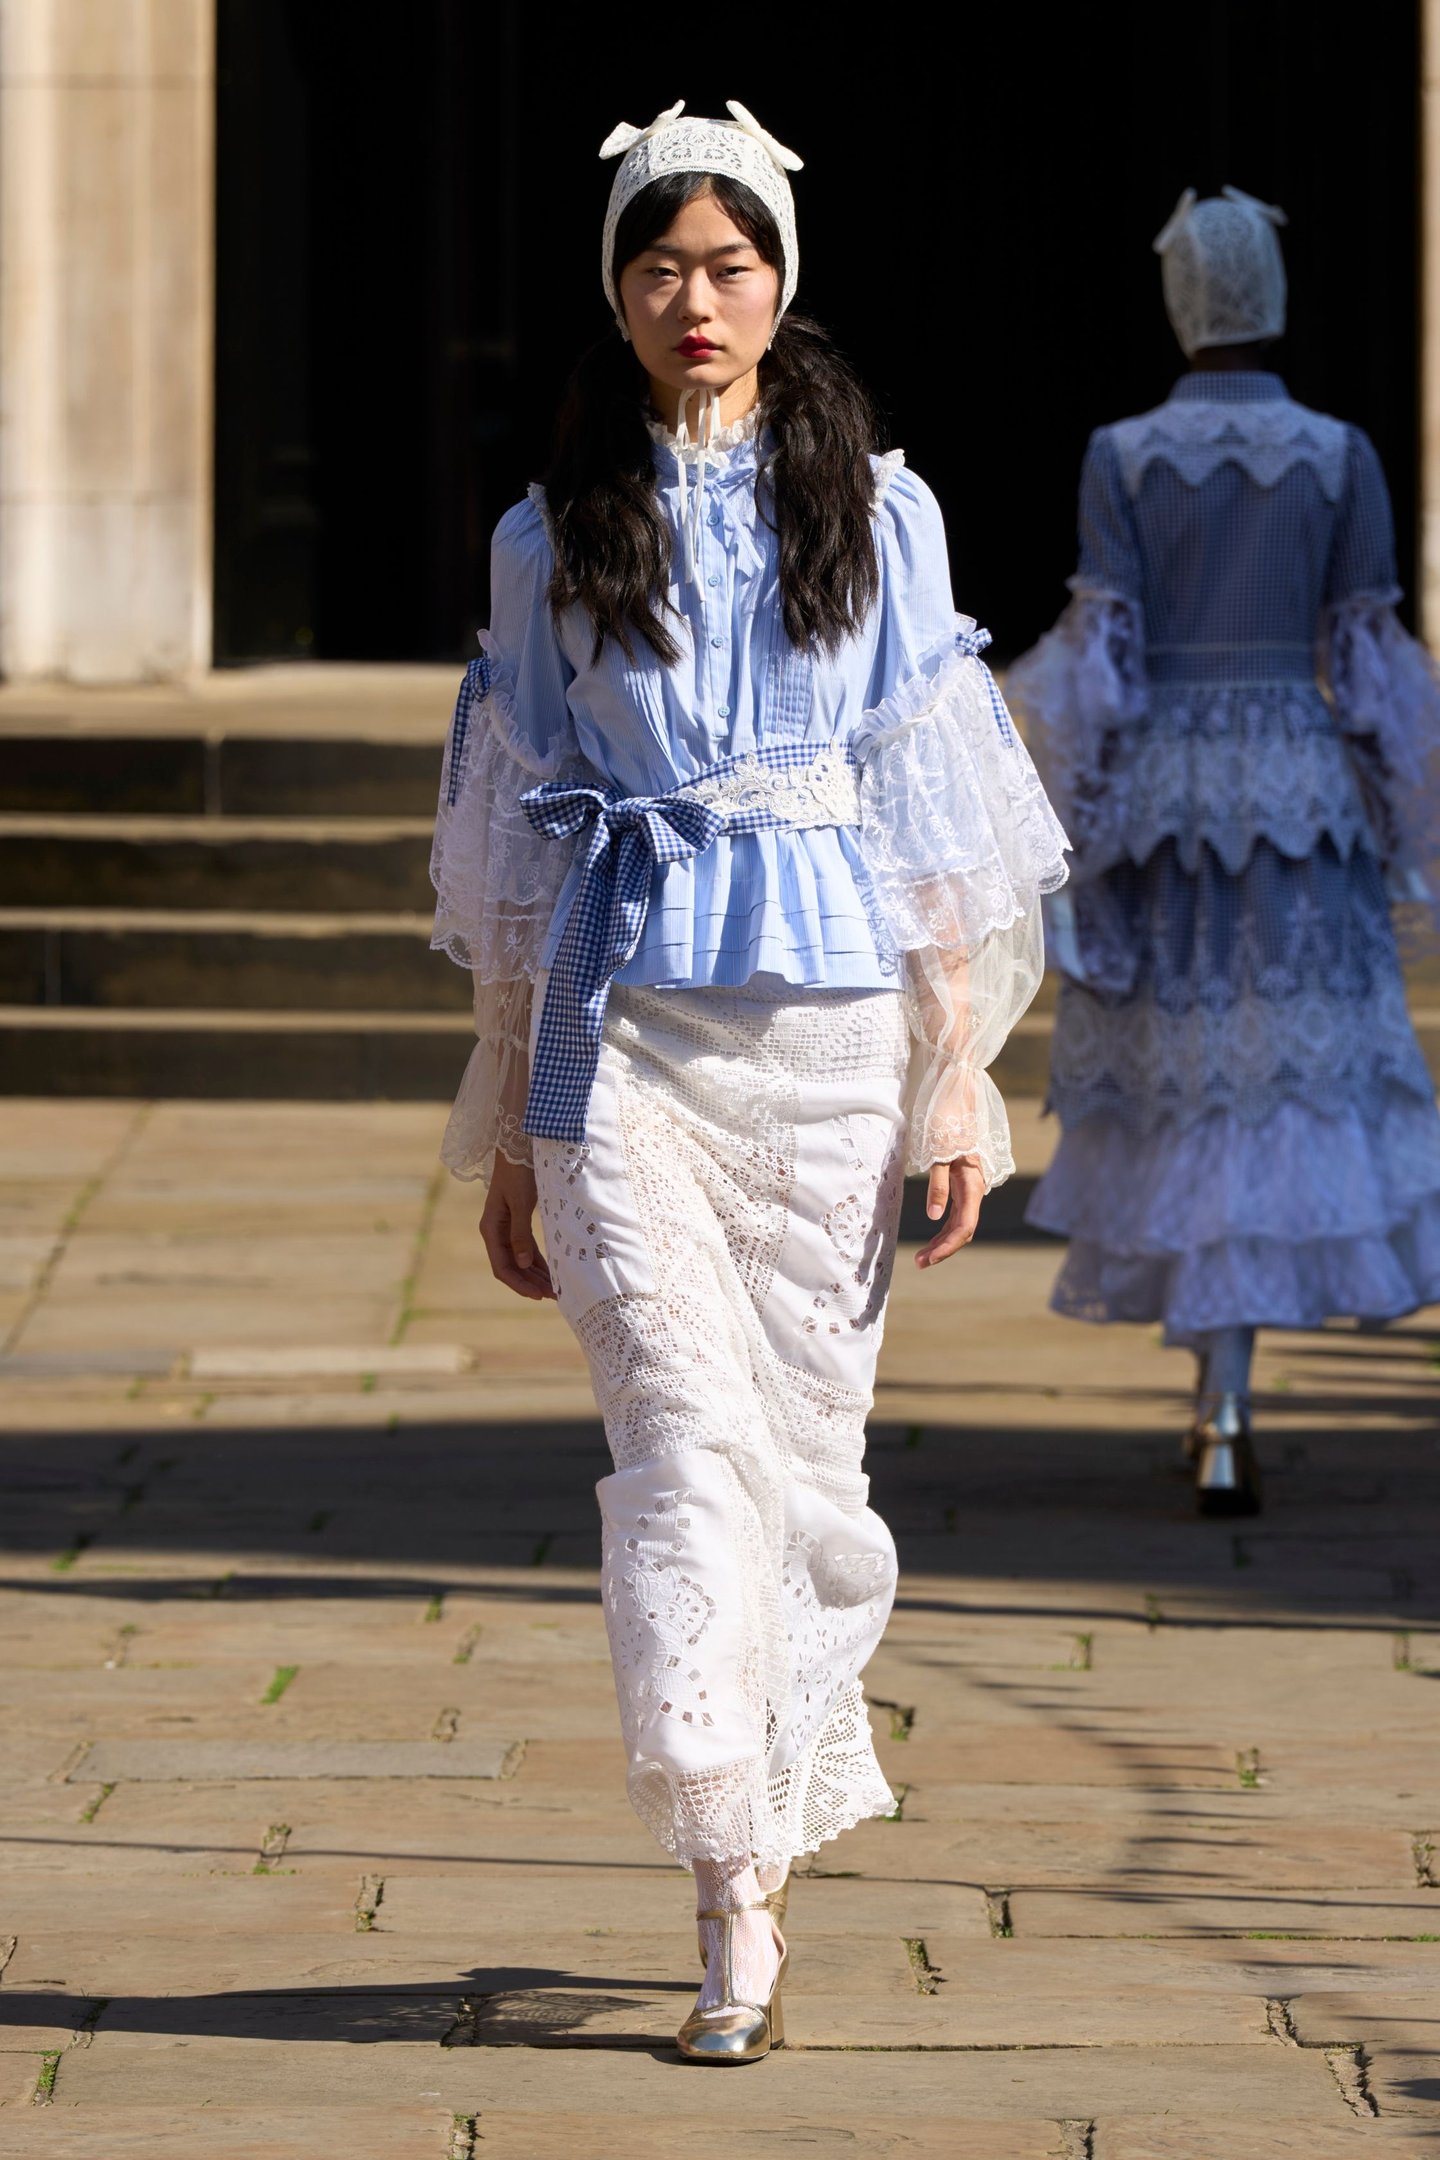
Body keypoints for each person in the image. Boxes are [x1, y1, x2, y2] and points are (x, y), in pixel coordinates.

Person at [429, 100, 1067, 2061]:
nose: (692, 299)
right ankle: (715, 1822)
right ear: (615, 290)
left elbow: (925, 811)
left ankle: (751, 1885)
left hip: (816, 1040)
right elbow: (519, 848)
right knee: (686, 1439)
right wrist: (502, 1108)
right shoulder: (553, 532)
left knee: (801, 1464)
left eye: (725, 263)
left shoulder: (876, 512)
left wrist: (955, 1074)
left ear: (779, 277)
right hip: (616, 1044)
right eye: (656, 263)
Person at [1009, 186, 1440, 1517]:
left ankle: (1221, 1395)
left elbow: (1102, 657)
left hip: (1165, 797)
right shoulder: (1338, 453)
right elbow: (1371, 661)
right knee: (1267, 1076)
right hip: (1298, 795)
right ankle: (1225, 1400)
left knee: (1191, 1074)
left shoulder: (1125, 454)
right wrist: (1407, 824)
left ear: (1183, 300)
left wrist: (1051, 809)